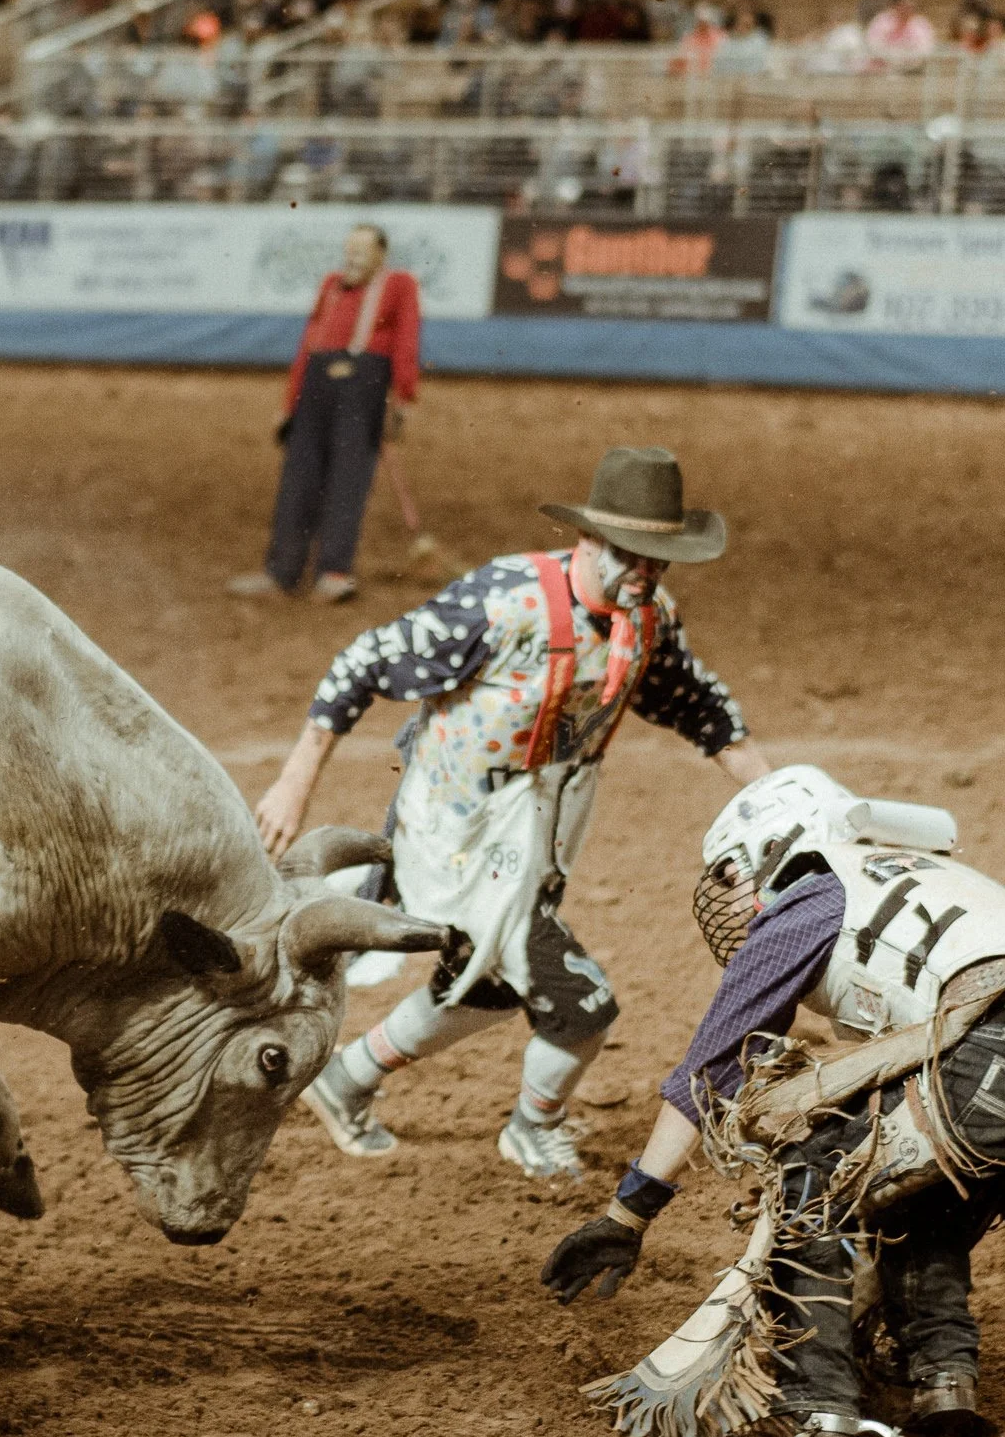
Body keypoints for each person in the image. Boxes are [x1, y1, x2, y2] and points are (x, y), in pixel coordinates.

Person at [540, 764, 1005, 1437]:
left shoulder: (814, 897)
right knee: (920, 1190)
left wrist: (628, 1213)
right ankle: (942, 1376)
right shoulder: (924, 872)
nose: (729, 897)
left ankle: (814, 1412)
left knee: (814, 1170)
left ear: (771, 850)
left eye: (730, 874)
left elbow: (712, 1067)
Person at [253, 447, 770, 1178]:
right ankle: (533, 1126)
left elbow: (706, 713)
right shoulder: (503, 603)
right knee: (581, 1004)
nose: (646, 573)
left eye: (661, 559)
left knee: (487, 985)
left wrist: (780, 806)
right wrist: (294, 782)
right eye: (632, 555)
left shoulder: (645, 623)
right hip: (457, 833)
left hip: (538, 834)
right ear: (588, 542)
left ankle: (345, 1079)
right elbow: (364, 662)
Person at [228, 222, 421, 605]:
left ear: (380, 254)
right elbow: (309, 341)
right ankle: (281, 572)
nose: (352, 257)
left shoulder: (399, 285)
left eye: (361, 250)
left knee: (348, 481)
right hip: (316, 385)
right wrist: (289, 403)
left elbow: (407, 339)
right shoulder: (331, 285)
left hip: (363, 384)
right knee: (298, 477)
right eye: (349, 249)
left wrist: (403, 397)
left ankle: (333, 572)